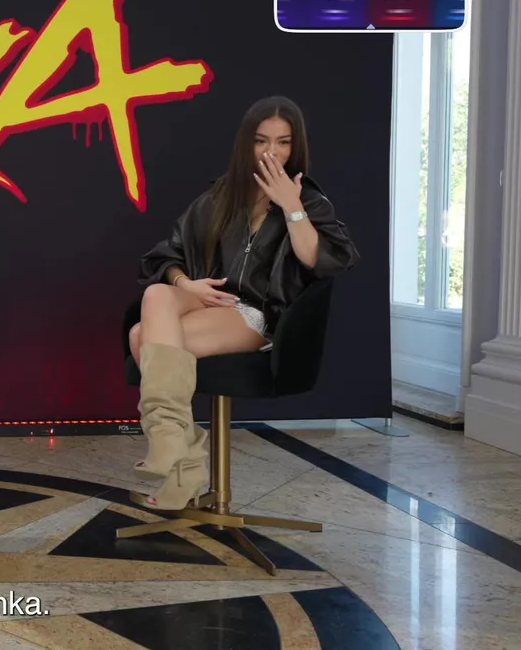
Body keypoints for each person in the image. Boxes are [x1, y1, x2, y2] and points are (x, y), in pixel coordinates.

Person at [133, 96, 359, 510]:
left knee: (141, 337)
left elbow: (322, 260)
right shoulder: (221, 195)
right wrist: (188, 284)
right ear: (246, 144)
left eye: (283, 142)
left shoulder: (308, 199)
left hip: (259, 317)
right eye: (261, 141)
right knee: (156, 295)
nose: (272, 151)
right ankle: (175, 450)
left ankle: (178, 455)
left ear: (295, 146)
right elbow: (166, 253)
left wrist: (291, 206)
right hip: (210, 305)